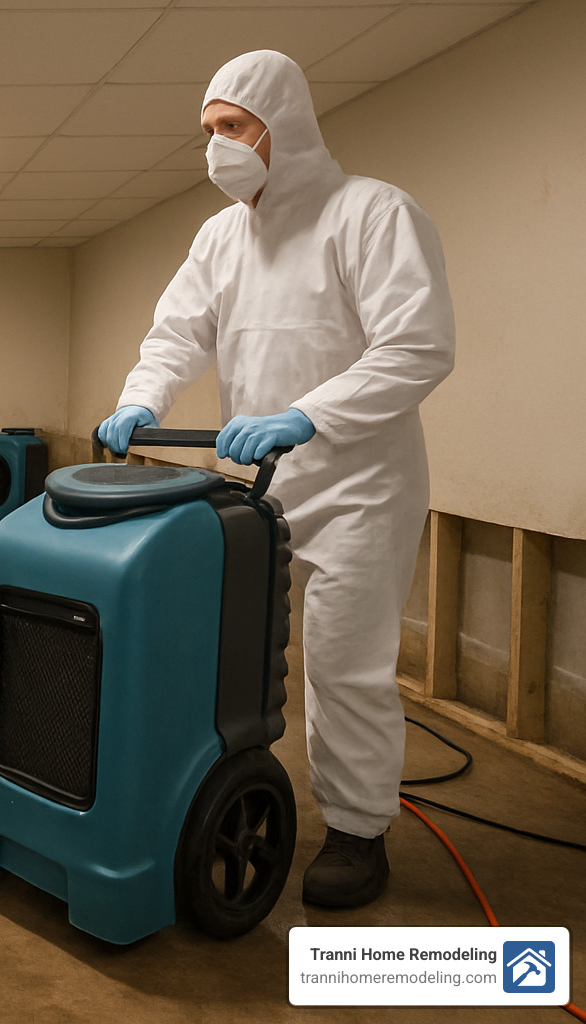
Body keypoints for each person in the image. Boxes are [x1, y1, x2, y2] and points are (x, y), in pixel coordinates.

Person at [97, 50, 455, 908]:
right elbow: (176, 333)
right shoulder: (221, 237)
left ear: (280, 125)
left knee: (344, 666)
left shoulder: (371, 214)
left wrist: (309, 414)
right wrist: (140, 398)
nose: (217, 148)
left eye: (231, 128)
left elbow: (418, 346)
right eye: (208, 132)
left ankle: (359, 832)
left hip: (360, 488)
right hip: (256, 492)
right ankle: (219, 798)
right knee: (230, 657)